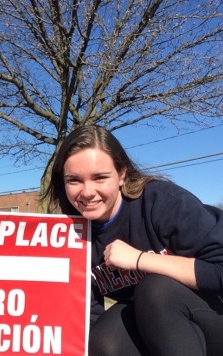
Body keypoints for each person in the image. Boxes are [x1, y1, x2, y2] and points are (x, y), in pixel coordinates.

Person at [45, 125, 223, 355]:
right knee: (103, 339)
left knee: (156, 290)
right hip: (155, 327)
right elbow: (88, 314)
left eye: (100, 177)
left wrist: (139, 260)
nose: (87, 192)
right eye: (74, 180)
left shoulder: (161, 202)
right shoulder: (71, 234)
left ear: (122, 174)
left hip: (212, 315)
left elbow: (219, 270)